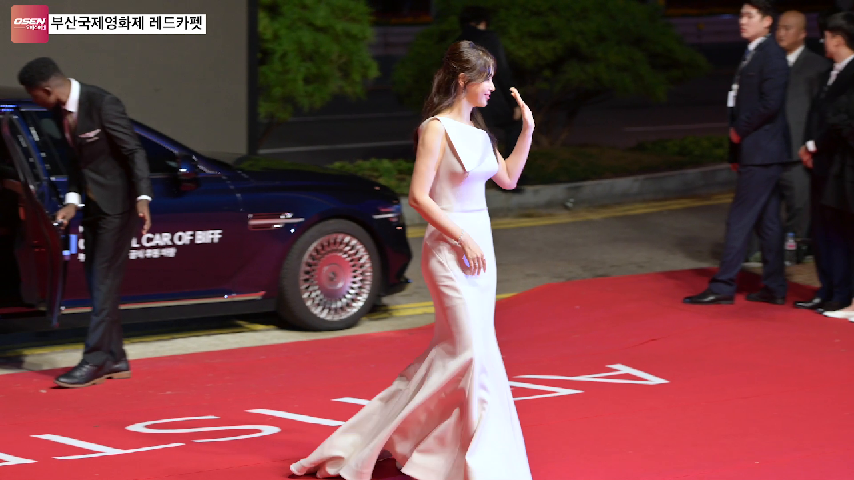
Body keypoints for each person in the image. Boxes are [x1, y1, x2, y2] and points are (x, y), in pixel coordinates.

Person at [290, 40, 535, 480]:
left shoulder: (481, 135)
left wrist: (528, 133)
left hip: (482, 251)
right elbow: (420, 198)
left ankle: (442, 450)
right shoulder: (435, 129)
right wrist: (460, 237)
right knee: (468, 351)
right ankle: (446, 456)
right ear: (464, 81)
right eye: (488, 78)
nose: (493, 88)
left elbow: (510, 179)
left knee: (467, 353)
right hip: (449, 250)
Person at [17, 57, 153, 388]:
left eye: (34, 95)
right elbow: (76, 163)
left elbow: (133, 151)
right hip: (91, 206)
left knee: (104, 283)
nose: (35, 102)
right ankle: (115, 357)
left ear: (46, 90)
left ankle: (94, 360)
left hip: (118, 206)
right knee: (98, 283)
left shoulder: (102, 103)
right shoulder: (59, 112)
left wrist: (143, 197)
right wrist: (71, 202)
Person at [684, 0, 790, 306]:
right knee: (768, 222)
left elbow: (770, 103)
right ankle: (773, 286)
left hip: (762, 150)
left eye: (749, 16)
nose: (741, 21)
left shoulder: (770, 55)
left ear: (767, 21)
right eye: (741, 15)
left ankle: (723, 284)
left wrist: (739, 131)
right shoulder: (755, 53)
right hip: (757, 151)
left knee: (740, 219)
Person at [745, 10, 832, 266]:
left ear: (803, 34)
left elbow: (821, 112)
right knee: (761, 207)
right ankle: (756, 252)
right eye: (779, 28)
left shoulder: (818, 67)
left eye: (788, 28)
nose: (781, 33)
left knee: (799, 207)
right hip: (765, 152)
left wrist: (814, 145)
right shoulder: (763, 61)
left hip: (797, 152)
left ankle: (793, 253)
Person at [796, 12, 854, 315]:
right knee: (820, 230)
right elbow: (816, 115)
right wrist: (808, 144)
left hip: (839, 167)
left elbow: (841, 123)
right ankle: (827, 288)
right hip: (820, 164)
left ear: (839, 39)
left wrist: (817, 145)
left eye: (828, 36)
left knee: (839, 232)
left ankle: (841, 294)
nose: (824, 42)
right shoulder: (828, 73)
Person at [455, 5, 525, 191]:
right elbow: (501, 70)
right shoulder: (489, 39)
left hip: (464, 99)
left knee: (474, 135)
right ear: (483, 22)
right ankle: (508, 176)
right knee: (513, 128)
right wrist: (513, 102)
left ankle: (472, 178)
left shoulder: (458, 42)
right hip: (489, 98)